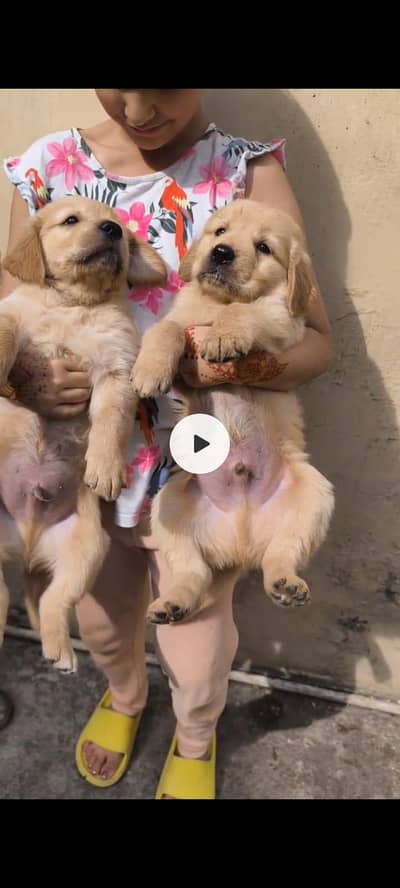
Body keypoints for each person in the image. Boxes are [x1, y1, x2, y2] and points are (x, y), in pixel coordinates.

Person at [0, 89, 332, 799]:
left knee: (199, 644)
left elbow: (317, 342)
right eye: (116, 82)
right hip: (86, 468)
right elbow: (12, 293)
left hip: (201, 464)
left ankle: (195, 736)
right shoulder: (45, 166)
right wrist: (22, 379)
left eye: (165, 83)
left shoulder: (249, 174)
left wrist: (240, 365)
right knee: (101, 619)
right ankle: (123, 698)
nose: (139, 104)